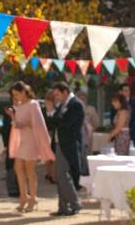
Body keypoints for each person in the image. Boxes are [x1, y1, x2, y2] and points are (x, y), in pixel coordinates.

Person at [5, 81, 54, 213]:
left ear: (23, 92)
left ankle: (33, 198)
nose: (15, 97)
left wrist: (23, 124)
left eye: (16, 94)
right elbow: (16, 124)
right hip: (22, 140)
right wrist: (12, 116)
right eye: (13, 95)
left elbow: (37, 123)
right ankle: (23, 196)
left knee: (30, 170)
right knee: (18, 167)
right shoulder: (19, 105)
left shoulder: (33, 104)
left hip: (31, 139)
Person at [51, 82, 83, 216]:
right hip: (60, 143)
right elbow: (54, 120)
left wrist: (57, 117)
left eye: (57, 94)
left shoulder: (75, 104)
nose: (56, 97)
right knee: (60, 175)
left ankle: (75, 203)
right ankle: (63, 207)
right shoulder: (62, 105)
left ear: (65, 92)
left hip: (68, 144)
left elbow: (65, 123)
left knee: (63, 175)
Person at [43, 89, 59, 184]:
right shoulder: (43, 110)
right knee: (47, 156)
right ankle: (49, 174)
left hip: (53, 135)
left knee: (52, 156)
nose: (48, 101)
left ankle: (52, 176)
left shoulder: (56, 111)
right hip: (45, 135)